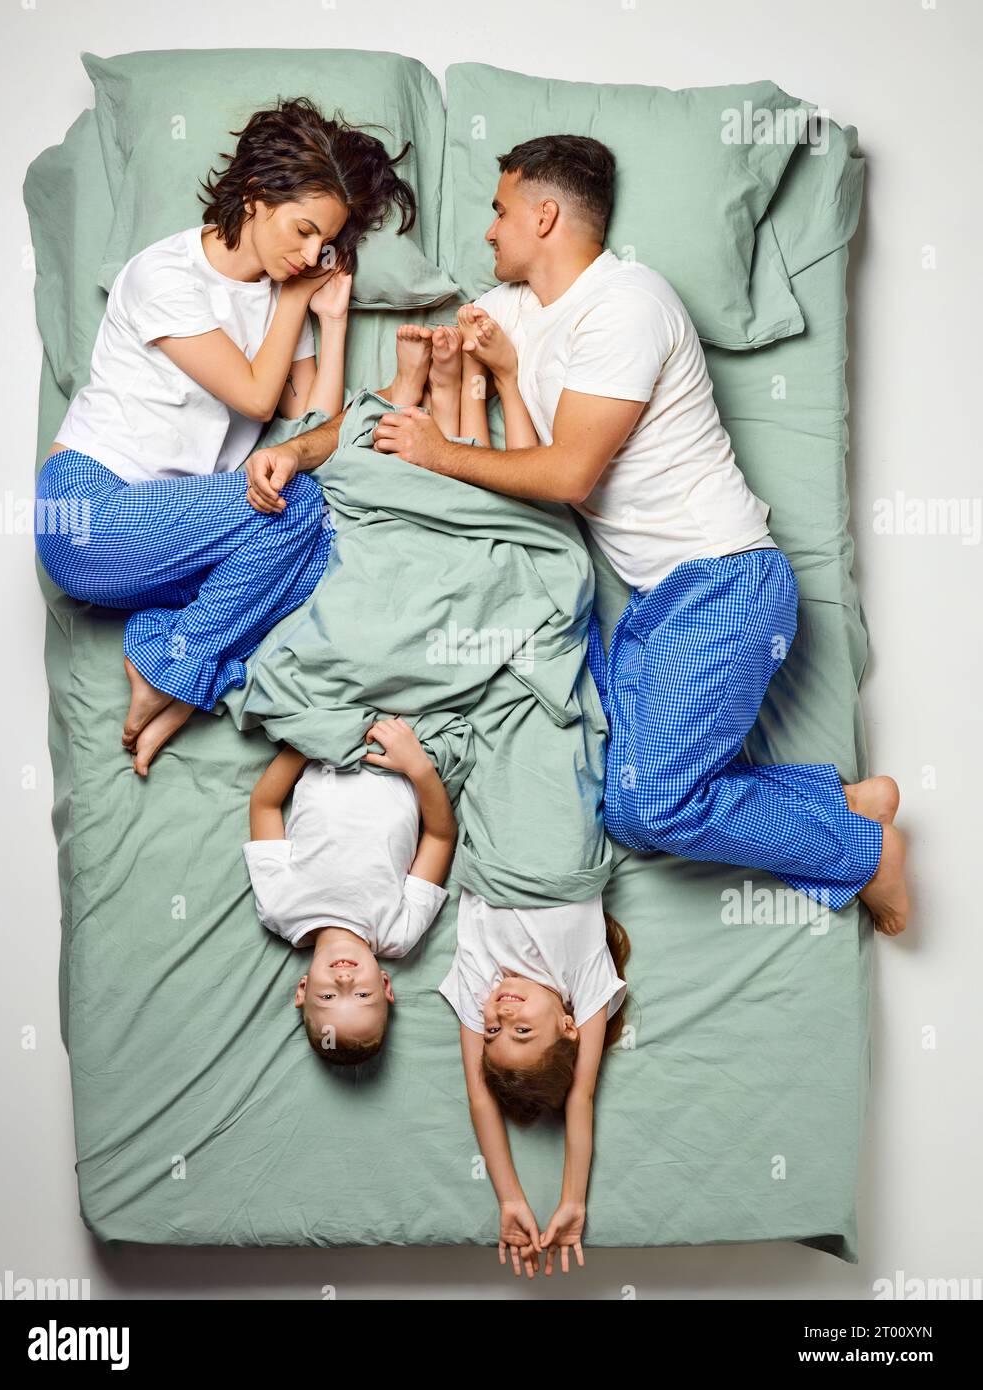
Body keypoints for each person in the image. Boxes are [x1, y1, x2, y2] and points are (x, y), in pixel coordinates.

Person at [365, 133, 909, 938]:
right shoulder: (512, 314)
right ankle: (836, 802)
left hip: (725, 580)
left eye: (500, 210)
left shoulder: (629, 302)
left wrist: (440, 452)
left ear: (544, 215)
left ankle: (861, 851)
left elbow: (567, 476)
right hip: (658, 604)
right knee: (626, 810)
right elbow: (529, 473)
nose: (487, 231)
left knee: (652, 803)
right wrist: (491, 375)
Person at [35, 96, 421, 775]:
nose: (309, 255)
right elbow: (252, 394)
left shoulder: (283, 299)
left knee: (327, 549)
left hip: (175, 533)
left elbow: (308, 425)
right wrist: (300, 300)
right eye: (302, 230)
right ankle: (178, 679)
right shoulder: (166, 275)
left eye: (322, 244)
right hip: (89, 512)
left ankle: (168, 658)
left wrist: (330, 323)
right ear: (255, 195)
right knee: (298, 508)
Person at [245, 717, 456, 1065]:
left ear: (303, 989)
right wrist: (418, 767)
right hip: (406, 755)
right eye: (361, 993)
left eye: (328, 996)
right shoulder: (398, 934)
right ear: (385, 986)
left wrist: (312, 738)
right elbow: (440, 836)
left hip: (326, 741)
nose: (344, 978)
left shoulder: (279, 908)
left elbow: (264, 805)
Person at [439, 889, 629, 1277]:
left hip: (494, 851)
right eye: (522, 1030)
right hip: (562, 858)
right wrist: (573, 1200)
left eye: (492, 1030)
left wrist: (510, 1201)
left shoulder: (481, 980)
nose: (503, 1012)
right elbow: (581, 1095)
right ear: (568, 1026)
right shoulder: (583, 977)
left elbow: (480, 1097)